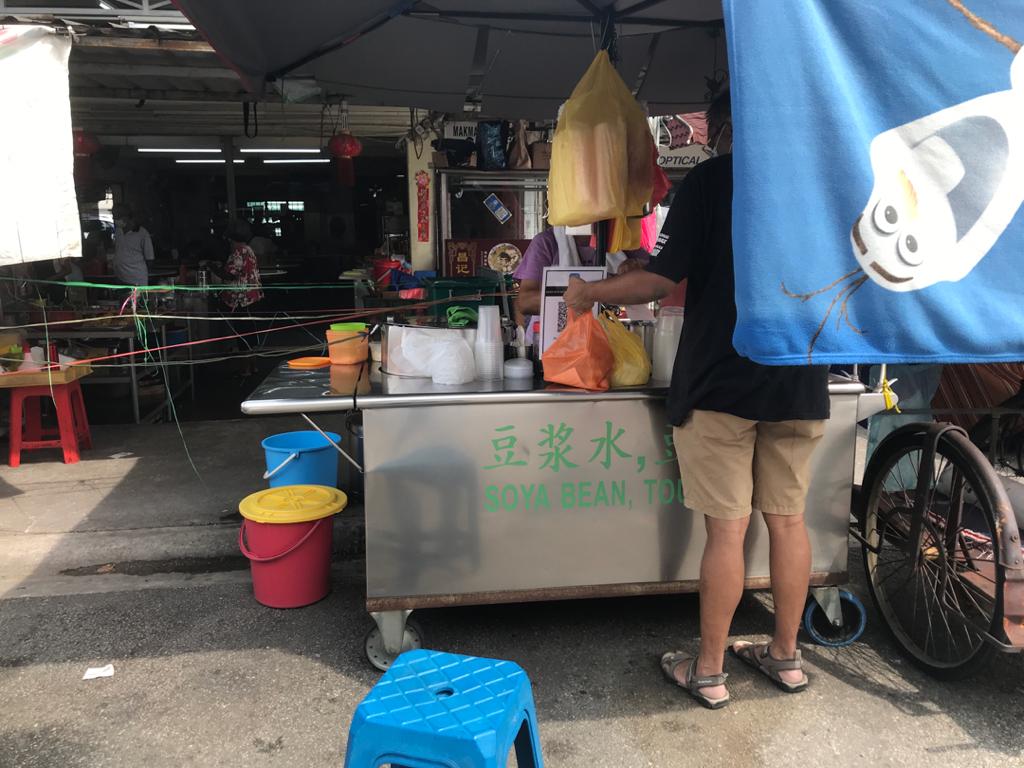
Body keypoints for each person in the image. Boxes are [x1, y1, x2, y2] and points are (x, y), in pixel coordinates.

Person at [564, 90, 830, 709]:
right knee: (789, 522)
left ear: (726, 127)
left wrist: (588, 293)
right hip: (799, 375)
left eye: (715, 128)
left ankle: (709, 671)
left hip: (721, 381)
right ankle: (786, 657)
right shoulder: (816, 182)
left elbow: (659, 280)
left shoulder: (711, 182)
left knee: (726, 533)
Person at [513, 224, 648, 319]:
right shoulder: (546, 242)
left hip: (609, 333)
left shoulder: (622, 241)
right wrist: (577, 296)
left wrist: (637, 271)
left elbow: (654, 281)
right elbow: (525, 302)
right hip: (555, 336)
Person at [111, 204, 154, 286]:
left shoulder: (142, 233)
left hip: (137, 279)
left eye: (116, 216)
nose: (113, 219)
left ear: (125, 218)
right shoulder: (118, 231)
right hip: (120, 278)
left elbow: (150, 259)